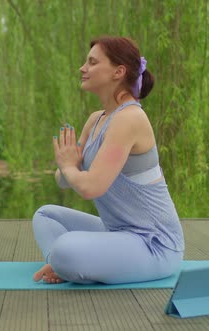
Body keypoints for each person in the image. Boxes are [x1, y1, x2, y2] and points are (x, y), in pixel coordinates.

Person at [32, 36, 185, 284]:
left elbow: (91, 187)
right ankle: (60, 267)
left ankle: (64, 264)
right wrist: (67, 166)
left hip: (155, 244)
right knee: (46, 215)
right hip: (118, 232)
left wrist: (70, 167)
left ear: (118, 71)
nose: (83, 68)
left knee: (66, 249)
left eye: (92, 62)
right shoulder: (96, 119)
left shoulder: (130, 118)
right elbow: (64, 180)